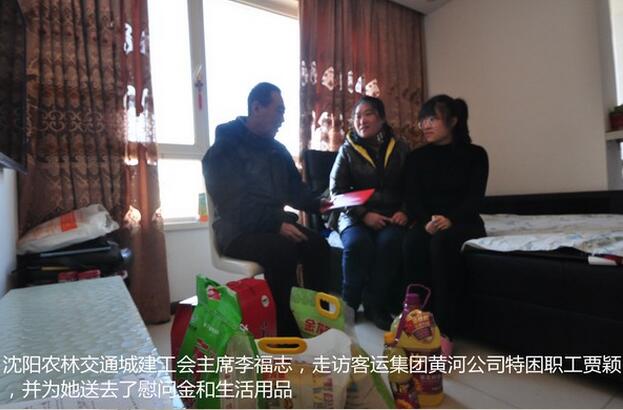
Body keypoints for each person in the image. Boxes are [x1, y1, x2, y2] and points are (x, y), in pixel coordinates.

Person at [202, 82, 331, 336]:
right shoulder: (224, 148)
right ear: (256, 108)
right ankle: (287, 332)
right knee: (282, 251)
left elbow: (296, 190)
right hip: (237, 232)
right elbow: (233, 204)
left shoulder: (277, 150)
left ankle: (315, 321)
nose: (283, 118)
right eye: (279, 110)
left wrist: (320, 204)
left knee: (318, 246)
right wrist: (274, 223)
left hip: (273, 225)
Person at [403, 94, 489, 354]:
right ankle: (419, 320)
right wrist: (425, 221)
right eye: (423, 120)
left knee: (441, 245)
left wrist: (451, 218)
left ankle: (445, 329)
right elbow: (412, 198)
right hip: (428, 221)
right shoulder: (416, 158)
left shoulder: (475, 155)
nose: (425, 125)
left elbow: (475, 197)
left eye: (433, 119)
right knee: (412, 242)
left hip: (464, 220)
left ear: (452, 121)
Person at [329, 96, 409, 330]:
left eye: (368, 114)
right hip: (353, 215)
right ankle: (350, 304)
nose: (361, 120)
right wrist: (364, 214)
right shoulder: (347, 150)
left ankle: (376, 304)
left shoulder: (401, 147)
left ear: (382, 119)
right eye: (357, 116)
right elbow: (336, 192)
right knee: (357, 244)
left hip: (390, 215)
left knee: (390, 243)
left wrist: (405, 211)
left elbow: (413, 185)